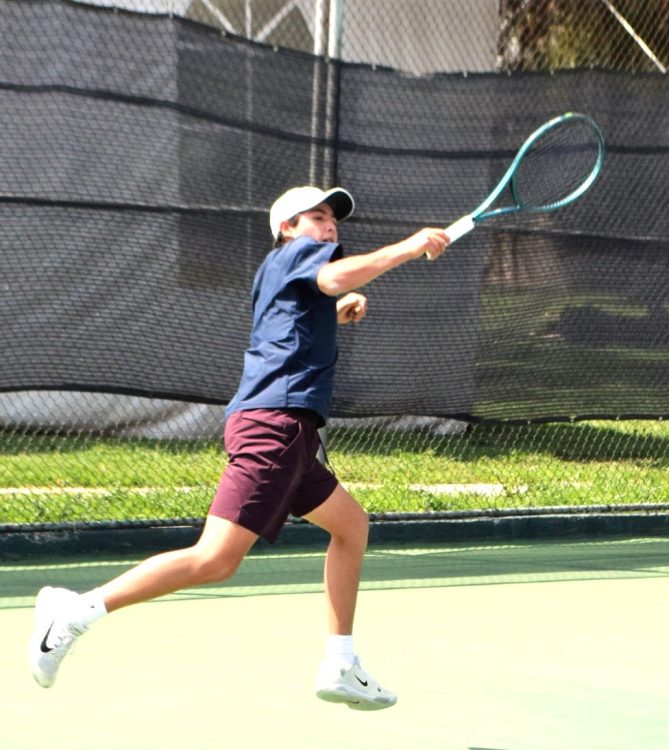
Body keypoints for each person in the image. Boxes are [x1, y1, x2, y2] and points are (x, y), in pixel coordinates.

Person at [28, 185, 450, 709]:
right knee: (215, 560)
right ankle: (73, 615)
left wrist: (334, 313)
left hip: (284, 430)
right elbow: (337, 275)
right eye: (315, 217)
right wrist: (409, 247)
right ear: (287, 229)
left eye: (332, 219)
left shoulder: (276, 271)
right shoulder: (301, 255)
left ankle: (342, 663)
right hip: (276, 430)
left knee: (351, 525)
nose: (328, 225)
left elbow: (290, 326)